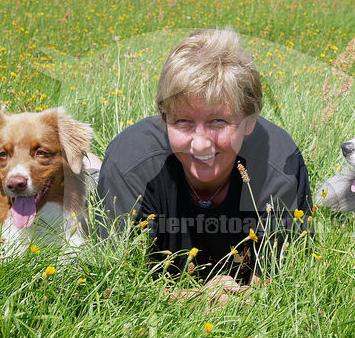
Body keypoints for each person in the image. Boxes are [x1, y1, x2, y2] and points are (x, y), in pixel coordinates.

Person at [96, 28, 312, 295]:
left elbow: (282, 285)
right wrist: (196, 300)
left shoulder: (279, 164)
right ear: (164, 119)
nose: (200, 143)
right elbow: (116, 286)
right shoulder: (130, 165)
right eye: (182, 121)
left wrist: (241, 300)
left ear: (249, 121)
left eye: (218, 121)